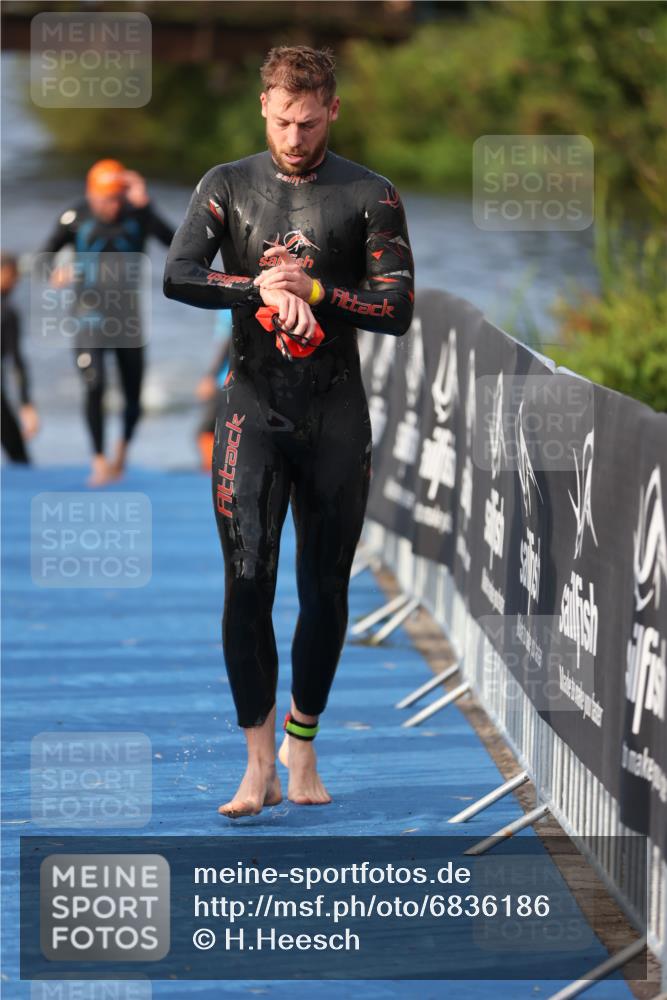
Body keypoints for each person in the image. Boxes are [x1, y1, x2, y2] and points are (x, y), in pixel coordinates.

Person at [164, 46, 414, 818]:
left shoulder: (370, 194)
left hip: (335, 413)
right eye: (281, 121)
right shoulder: (226, 186)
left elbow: (396, 308)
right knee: (247, 582)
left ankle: (301, 744)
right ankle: (256, 764)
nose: (294, 137)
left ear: (332, 111)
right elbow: (178, 274)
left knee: (324, 589)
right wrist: (261, 290)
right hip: (251, 411)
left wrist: (312, 287)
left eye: (308, 122)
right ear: (262, 109)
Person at [41, 160, 175, 486]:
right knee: (94, 383)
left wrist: (148, 204)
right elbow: (44, 257)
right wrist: (55, 272)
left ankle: (122, 452)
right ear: (90, 193)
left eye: (116, 198)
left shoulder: (138, 214)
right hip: (88, 316)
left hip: (128, 318)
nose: (111, 206)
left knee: (133, 394)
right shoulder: (74, 217)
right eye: (104, 199)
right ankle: (99, 459)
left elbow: (178, 245)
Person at [1, 254, 39, 463]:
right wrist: (26, 405)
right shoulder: (7, 314)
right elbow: (17, 362)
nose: (16, 281)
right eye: (12, 274)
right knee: (20, 458)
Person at [195, 311, 232, 471]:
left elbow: (229, 342)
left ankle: (212, 469)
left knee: (205, 431)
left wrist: (211, 376)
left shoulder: (231, 304)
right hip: (233, 378)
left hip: (226, 379)